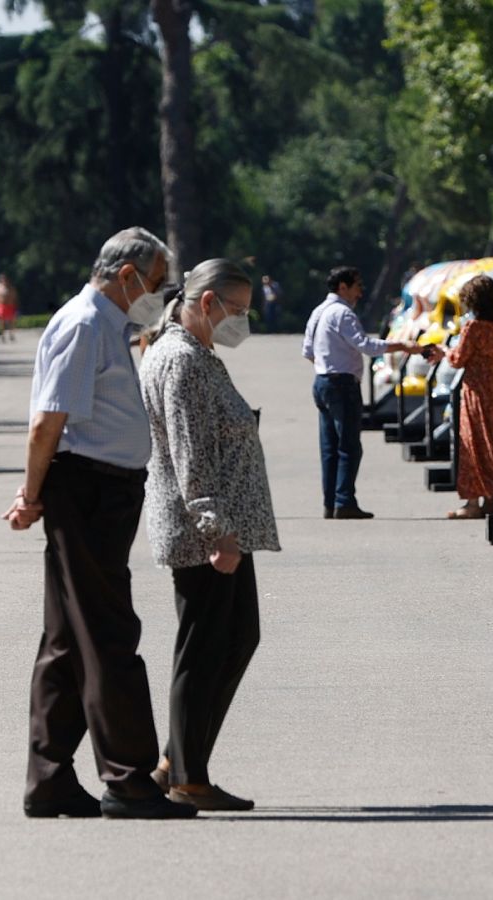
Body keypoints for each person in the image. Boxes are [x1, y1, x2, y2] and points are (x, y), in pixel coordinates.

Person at [1, 226, 197, 820]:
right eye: (156, 282)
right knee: (111, 634)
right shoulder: (84, 324)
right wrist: (31, 495)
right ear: (126, 275)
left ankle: (50, 780)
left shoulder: (110, 326)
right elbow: (47, 422)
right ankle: (128, 778)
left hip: (100, 491)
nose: (159, 294)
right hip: (86, 491)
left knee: (67, 643)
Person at [141, 259, 278, 812]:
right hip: (206, 530)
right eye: (237, 310)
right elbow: (188, 452)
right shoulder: (182, 361)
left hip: (220, 525)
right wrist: (216, 528)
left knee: (235, 637)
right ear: (206, 303)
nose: (241, 321)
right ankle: (188, 776)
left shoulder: (196, 354)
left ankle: (178, 758)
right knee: (204, 650)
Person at [302, 265, 421, 519]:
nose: (360, 293)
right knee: (349, 447)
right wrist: (402, 346)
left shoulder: (318, 312)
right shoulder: (343, 314)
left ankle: (330, 502)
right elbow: (365, 345)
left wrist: (327, 367)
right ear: (342, 287)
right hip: (342, 384)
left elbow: (308, 351)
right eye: (357, 287)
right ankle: (344, 502)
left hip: (322, 382)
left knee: (329, 447)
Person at [445, 275, 493, 519]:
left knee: (472, 443)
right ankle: (488, 498)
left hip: (476, 387)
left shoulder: (473, 327)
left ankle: (472, 502)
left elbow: (458, 359)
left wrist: (444, 352)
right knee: (488, 440)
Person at [0, 273, 19, 343]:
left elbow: (15, 298)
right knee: (1, 321)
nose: (3, 280)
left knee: (11, 321)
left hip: (10, 306)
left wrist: (16, 306)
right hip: (0, 306)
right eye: (2, 278)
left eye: (4, 278)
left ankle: (11, 334)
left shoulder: (11, 287)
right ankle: (2, 335)